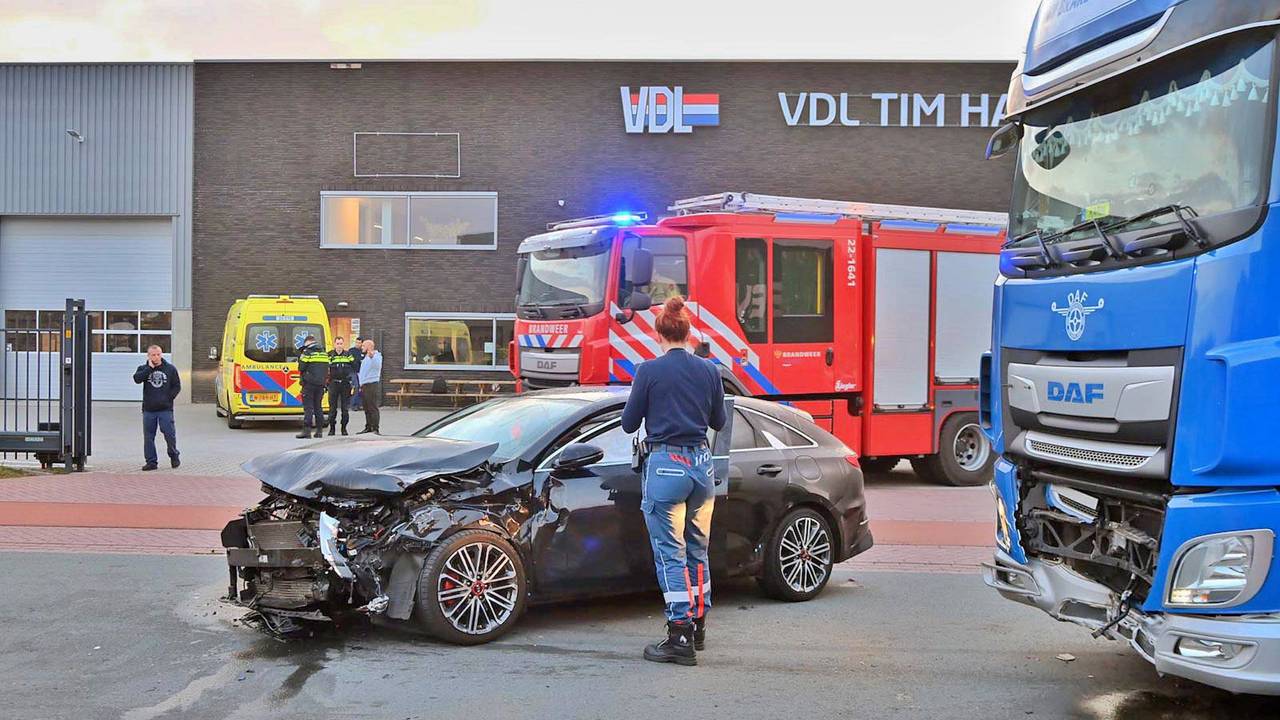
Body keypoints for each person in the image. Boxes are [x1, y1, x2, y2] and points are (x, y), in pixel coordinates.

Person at [620, 296, 726, 666]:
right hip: (701, 466)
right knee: (698, 548)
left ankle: (678, 634)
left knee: (669, 552)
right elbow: (719, 422)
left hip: (666, 465)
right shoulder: (710, 371)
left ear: (658, 333)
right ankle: (697, 626)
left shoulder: (649, 371)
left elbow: (629, 423)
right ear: (688, 331)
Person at [132, 344, 181, 471]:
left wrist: (168, 398)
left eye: (158, 354)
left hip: (165, 409)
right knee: (148, 437)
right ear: (148, 356)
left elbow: (177, 386)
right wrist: (149, 368)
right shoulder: (143, 368)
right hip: (149, 409)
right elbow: (137, 379)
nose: (156, 357)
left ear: (161, 354)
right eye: (153, 355)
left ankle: (174, 455)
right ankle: (151, 461)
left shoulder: (170, 369)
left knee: (169, 434)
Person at [295, 334, 329, 439]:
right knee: (318, 407)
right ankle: (319, 432)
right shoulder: (324, 353)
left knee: (308, 408)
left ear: (307, 342)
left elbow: (301, 367)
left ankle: (307, 431)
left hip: (309, 384)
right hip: (321, 384)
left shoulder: (307, 352)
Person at [326, 336, 357, 435]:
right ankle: (332, 429)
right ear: (334, 344)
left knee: (345, 408)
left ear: (343, 344)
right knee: (332, 408)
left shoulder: (348, 355)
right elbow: (325, 369)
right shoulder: (330, 355)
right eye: (337, 343)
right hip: (333, 384)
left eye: (341, 343)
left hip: (345, 384)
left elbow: (355, 366)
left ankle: (344, 428)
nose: (339, 346)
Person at [356, 338, 383, 434]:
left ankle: (375, 428)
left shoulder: (376, 356)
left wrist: (372, 356)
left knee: (372, 407)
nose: (361, 347)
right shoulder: (366, 357)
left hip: (371, 384)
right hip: (364, 385)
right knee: (366, 407)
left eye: (363, 346)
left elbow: (377, 365)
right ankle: (368, 426)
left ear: (368, 347)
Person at [350, 336, 365, 411]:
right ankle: (353, 405)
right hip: (353, 371)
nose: (357, 344)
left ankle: (360, 404)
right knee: (356, 387)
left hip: (361, 372)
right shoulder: (351, 351)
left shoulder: (363, 351)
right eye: (356, 342)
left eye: (359, 343)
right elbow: (352, 361)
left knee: (361, 388)